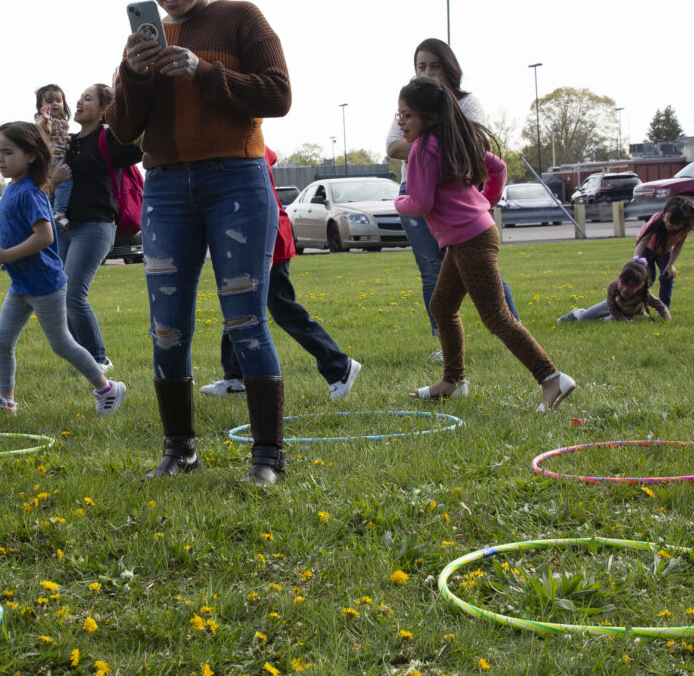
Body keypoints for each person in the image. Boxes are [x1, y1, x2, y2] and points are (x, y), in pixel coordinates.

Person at [108, 0, 293, 486]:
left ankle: (267, 458)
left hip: (236, 180)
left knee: (245, 321)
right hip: (165, 188)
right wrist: (136, 77)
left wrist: (202, 70)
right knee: (167, 328)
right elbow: (121, 135)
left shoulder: (241, 18)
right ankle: (179, 449)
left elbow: (278, 93)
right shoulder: (144, 40)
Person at [394, 76, 577, 409]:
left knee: (496, 316)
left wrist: (396, 202)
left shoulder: (423, 149)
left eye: (407, 115)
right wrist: (486, 202)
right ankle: (453, 381)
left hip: (470, 240)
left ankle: (552, 378)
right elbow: (499, 168)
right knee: (442, 306)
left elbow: (419, 202)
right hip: (474, 235)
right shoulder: (453, 140)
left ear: (429, 116)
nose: (401, 123)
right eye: (399, 115)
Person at [0, 122, 128, 417]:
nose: (0, 159)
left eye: (8, 152)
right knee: (2, 340)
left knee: (62, 344)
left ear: (31, 156)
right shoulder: (12, 189)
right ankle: (6, 401)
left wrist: (5, 254)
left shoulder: (30, 193)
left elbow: (44, 236)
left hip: (45, 284)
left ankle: (108, 390)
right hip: (22, 283)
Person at [386, 39, 516, 352]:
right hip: (438, 206)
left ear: (449, 67)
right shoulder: (413, 110)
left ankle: (544, 369)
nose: (427, 72)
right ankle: (451, 369)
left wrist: (487, 200)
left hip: (463, 215)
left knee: (492, 301)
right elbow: (392, 147)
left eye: (434, 65)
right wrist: (433, 144)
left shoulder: (464, 107)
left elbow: (480, 152)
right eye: (421, 66)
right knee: (438, 288)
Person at [205, 147, 364, 400]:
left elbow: (261, 203)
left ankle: (339, 366)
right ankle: (234, 377)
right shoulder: (239, 147)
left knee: (284, 311)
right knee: (238, 306)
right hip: (257, 239)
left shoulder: (245, 150)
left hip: (268, 241)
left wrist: (264, 253)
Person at [45, 82, 141, 371]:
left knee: (73, 294)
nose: (78, 102)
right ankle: (83, 360)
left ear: (103, 110)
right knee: (59, 296)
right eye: (79, 97)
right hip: (64, 227)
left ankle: (99, 359)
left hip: (96, 226)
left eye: (87, 99)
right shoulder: (69, 142)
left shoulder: (108, 139)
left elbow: (140, 145)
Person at [631, 195, 694, 310]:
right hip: (647, 249)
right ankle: (636, 306)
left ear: (682, 224)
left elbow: (678, 245)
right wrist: (637, 262)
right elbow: (642, 242)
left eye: (674, 224)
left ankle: (663, 309)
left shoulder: (686, 227)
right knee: (647, 278)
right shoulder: (658, 219)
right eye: (668, 218)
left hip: (664, 251)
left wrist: (670, 265)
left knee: (667, 277)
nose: (668, 224)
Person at [557, 257, 671, 322]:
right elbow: (612, 308)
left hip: (632, 313)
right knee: (584, 318)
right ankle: (575, 313)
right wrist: (623, 319)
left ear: (640, 286)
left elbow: (660, 306)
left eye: (631, 287)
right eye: (623, 284)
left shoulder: (644, 293)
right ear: (619, 277)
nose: (625, 290)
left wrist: (666, 318)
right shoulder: (613, 286)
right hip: (612, 307)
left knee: (607, 321)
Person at [35, 84, 73, 243]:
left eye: (59, 100)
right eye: (49, 101)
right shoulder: (46, 120)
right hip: (55, 159)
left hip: (59, 156)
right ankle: (59, 212)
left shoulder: (63, 121)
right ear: (41, 107)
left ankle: (50, 214)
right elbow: (42, 129)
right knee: (66, 183)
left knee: (54, 190)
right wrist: (44, 119)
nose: (55, 104)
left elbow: (63, 138)